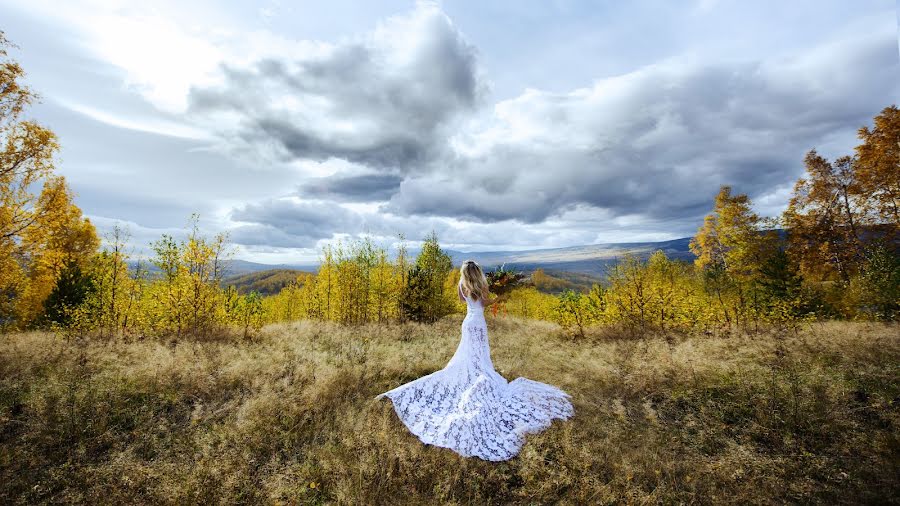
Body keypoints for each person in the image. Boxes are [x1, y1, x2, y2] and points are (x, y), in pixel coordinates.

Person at [374, 260, 574, 461]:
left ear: (464, 273)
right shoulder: (482, 286)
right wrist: (498, 299)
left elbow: (464, 302)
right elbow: (484, 303)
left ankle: (474, 372)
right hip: (478, 322)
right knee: (479, 354)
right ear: (477, 272)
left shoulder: (462, 286)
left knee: (468, 354)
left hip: (467, 323)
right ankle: (480, 373)